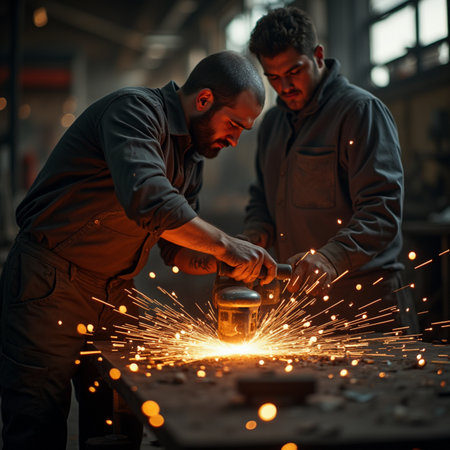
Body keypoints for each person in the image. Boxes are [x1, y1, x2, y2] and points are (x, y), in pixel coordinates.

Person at [0, 50, 277, 450]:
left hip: (115, 292)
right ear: (203, 100)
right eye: (234, 124)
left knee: (121, 414)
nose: (235, 140)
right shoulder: (134, 111)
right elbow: (149, 199)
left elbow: (174, 247)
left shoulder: (191, 158)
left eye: (243, 130)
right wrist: (227, 245)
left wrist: (219, 261)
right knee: (37, 425)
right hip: (50, 283)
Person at [242, 7, 419, 333]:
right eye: (274, 78)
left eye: (294, 71)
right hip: (299, 306)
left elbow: (381, 212)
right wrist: (252, 237)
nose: (285, 86)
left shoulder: (359, 112)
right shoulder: (271, 125)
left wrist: (330, 257)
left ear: (318, 55)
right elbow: (261, 199)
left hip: (366, 303)